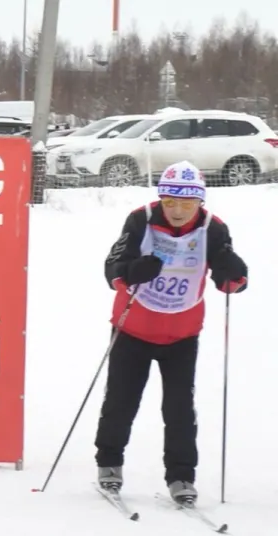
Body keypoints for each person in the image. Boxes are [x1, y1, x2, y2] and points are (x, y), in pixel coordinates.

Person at [93, 162, 248, 505]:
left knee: (179, 408)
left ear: (199, 203)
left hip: (182, 333)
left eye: (187, 204)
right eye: (170, 202)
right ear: (161, 198)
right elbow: (112, 269)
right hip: (133, 328)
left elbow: (230, 277)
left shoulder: (213, 228)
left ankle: (181, 476)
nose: (178, 211)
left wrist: (233, 275)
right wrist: (133, 271)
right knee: (121, 400)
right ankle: (109, 463)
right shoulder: (141, 220)